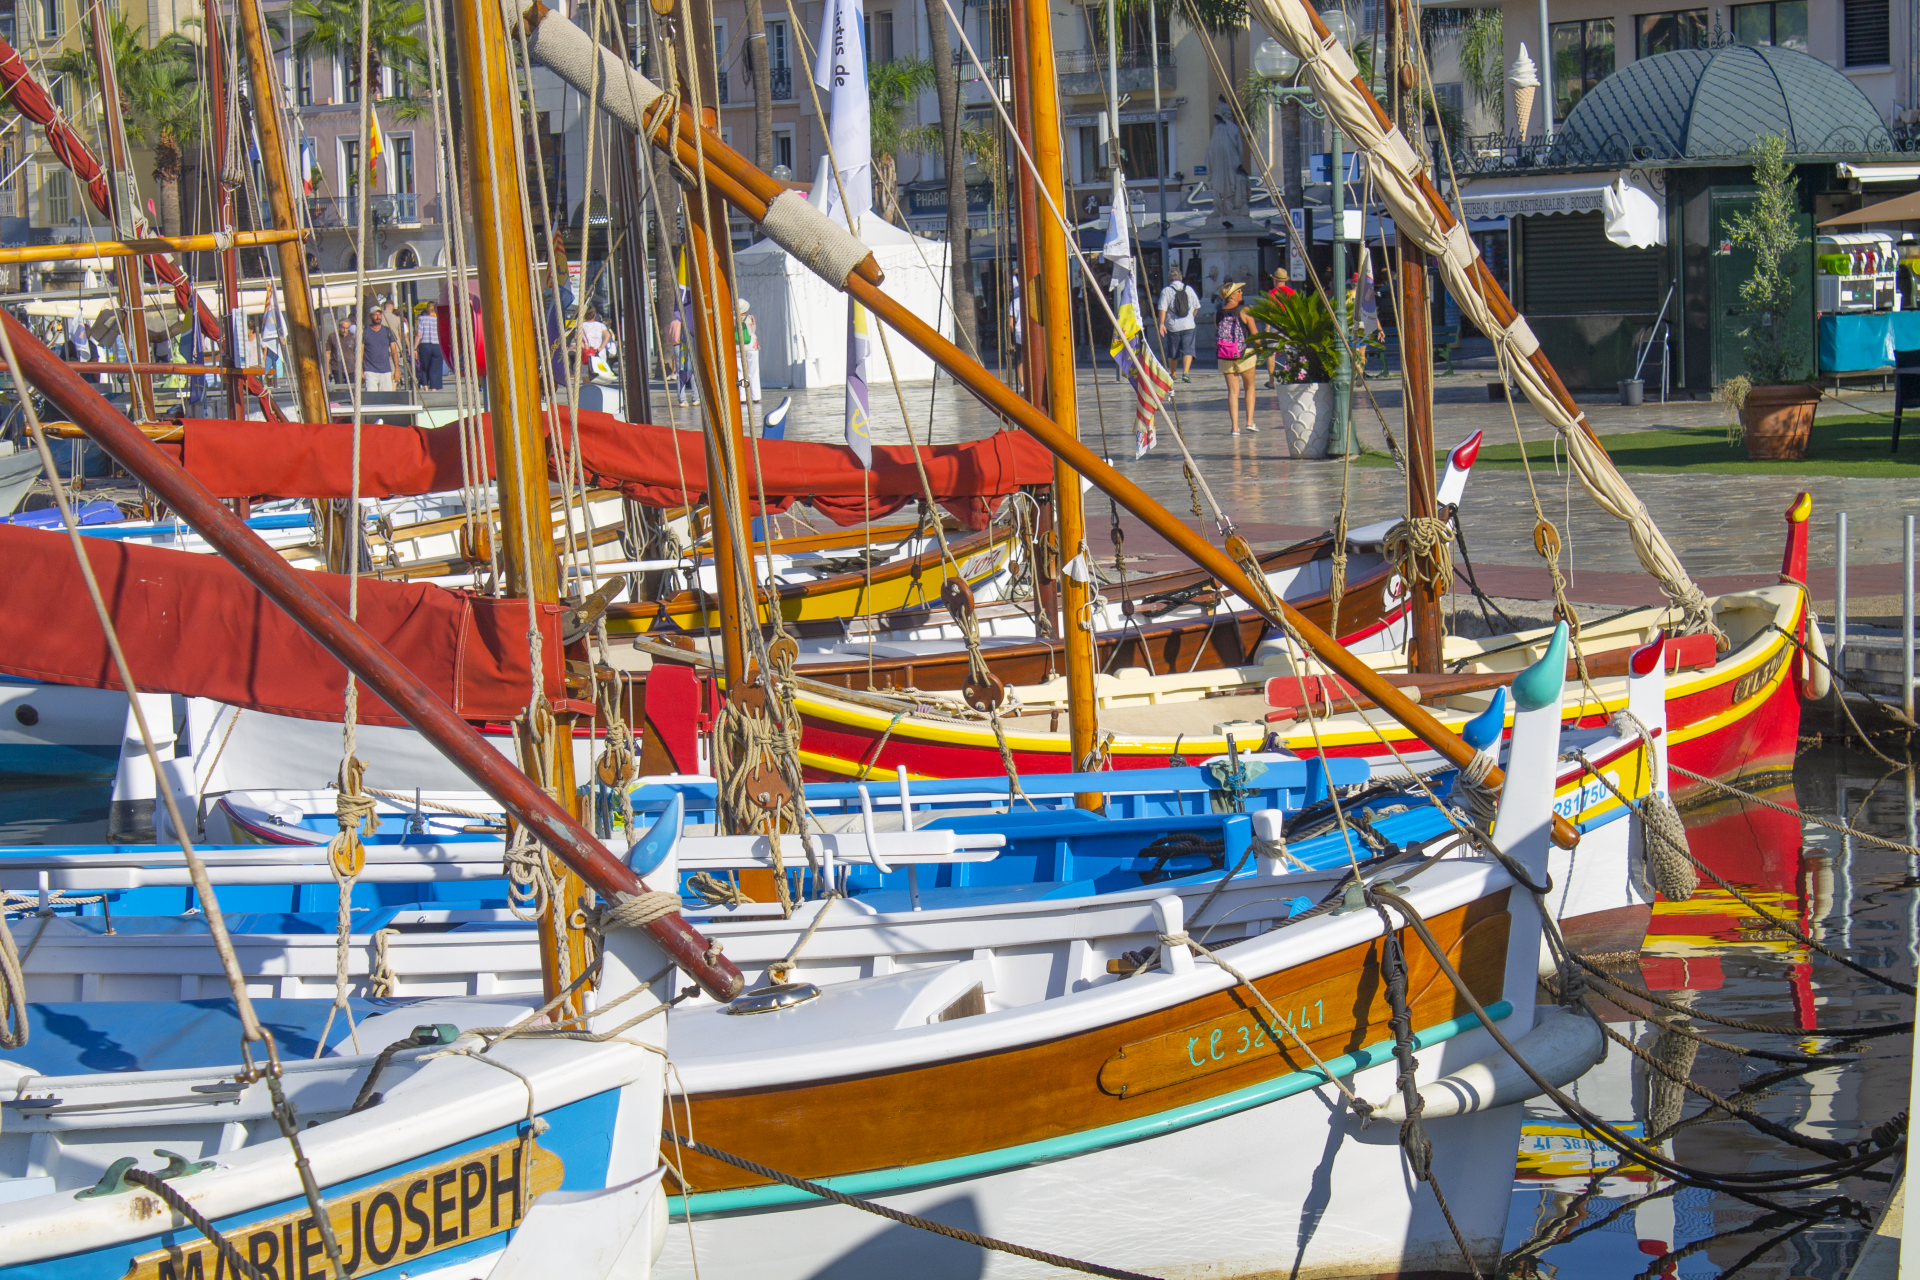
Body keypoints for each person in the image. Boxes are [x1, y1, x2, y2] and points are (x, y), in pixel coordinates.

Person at [1215, 281, 1259, 437]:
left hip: (1225, 354)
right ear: (1232, 295)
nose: (1242, 293)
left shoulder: (1219, 312)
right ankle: (1249, 422)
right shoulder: (1244, 310)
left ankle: (1235, 427)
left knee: (1233, 392)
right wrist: (1261, 346)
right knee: (1250, 387)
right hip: (1244, 353)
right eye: (1239, 291)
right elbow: (1254, 333)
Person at [1156, 266, 1201, 383]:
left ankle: (1173, 373)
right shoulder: (1189, 289)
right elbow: (1197, 306)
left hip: (1173, 326)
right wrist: (1191, 317)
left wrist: (1161, 323)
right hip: (1189, 325)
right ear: (1181, 278)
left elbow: (1162, 309)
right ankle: (1186, 373)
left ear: (1169, 279)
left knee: (1173, 349)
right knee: (1188, 349)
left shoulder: (1166, 291)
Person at [1264, 267, 1297, 387]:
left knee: (1271, 352)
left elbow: (1269, 311)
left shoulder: (1272, 293)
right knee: (1291, 352)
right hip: (1288, 323)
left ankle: (1271, 381)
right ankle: (1291, 377)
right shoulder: (1292, 293)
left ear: (1276, 280)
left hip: (1275, 323)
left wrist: (1267, 328)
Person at [360, 308, 398, 392]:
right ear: (370, 316)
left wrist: (397, 369)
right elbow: (360, 352)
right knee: (371, 397)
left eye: (379, 314)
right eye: (375, 314)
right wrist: (360, 371)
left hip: (386, 370)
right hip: (370, 370)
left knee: (386, 398)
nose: (378, 317)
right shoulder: (365, 332)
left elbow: (394, 351)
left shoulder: (387, 331)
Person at [733, 298, 761, 404]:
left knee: (740, 373)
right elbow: (753, 330)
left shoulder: (733, 319)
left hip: (738, 347)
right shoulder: (750, 318)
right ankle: (756, 396)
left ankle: (742, 397)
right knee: (753, 372)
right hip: (751, 346)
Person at [415, 300, 445, 390]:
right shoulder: (439, 319)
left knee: (424, 366)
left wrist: (414, 347)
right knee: (435, 367)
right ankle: (434, 387)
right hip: (437, 345)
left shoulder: (422, 319)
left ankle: (425, 385)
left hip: (425, 344)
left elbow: (418, 334)